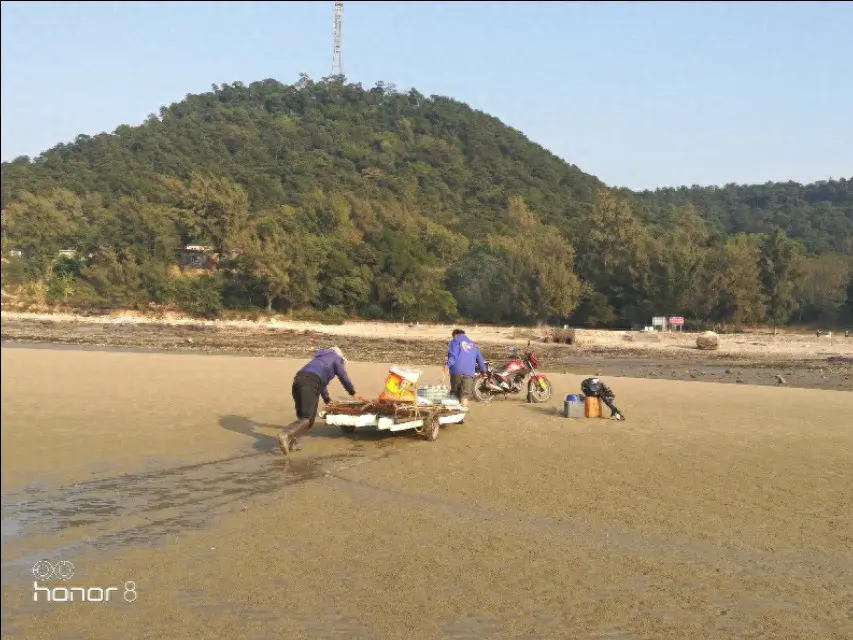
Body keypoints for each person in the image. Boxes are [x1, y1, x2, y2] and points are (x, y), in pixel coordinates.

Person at [278, 346, 363, 455]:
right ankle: (286, 434)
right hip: (310, 384)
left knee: (303, 417)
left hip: (298, 381)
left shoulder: (319, 359)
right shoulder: (336, 358)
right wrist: (352, 392)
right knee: (307, 419)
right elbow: (343, 376)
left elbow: (320, 382)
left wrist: (327, 399)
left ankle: (290, 445)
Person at [442, 329, 486, 407]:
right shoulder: (473, 345)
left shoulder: (454, 341)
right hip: (469, 373)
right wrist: (483, 371)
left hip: (456, 372)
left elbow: (453, 356)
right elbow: (479, 359)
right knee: (464, 396)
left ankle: (454, 414)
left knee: (454, 394)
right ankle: (462, 415)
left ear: (455, 334)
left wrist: (447, 365)